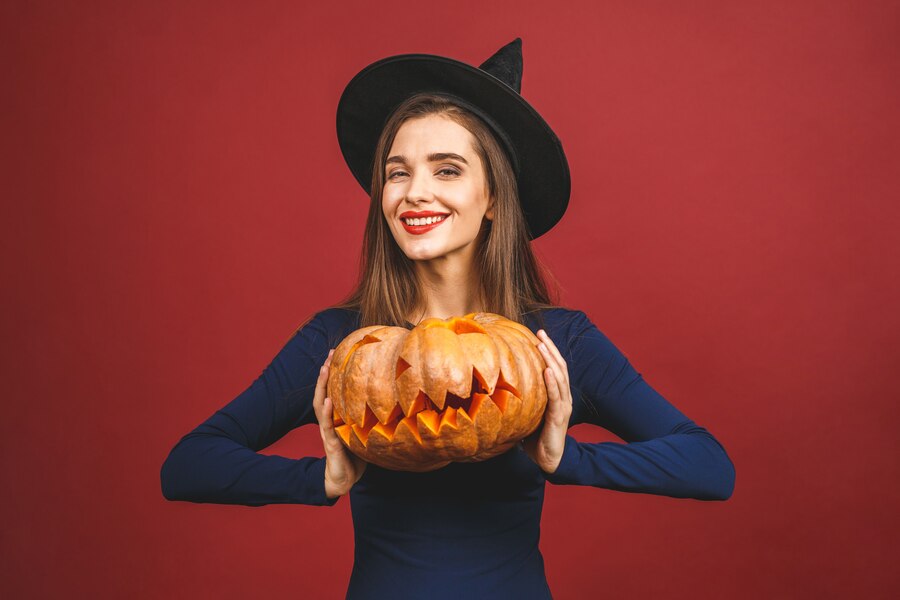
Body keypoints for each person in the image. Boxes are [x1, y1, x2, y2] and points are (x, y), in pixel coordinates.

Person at [160, 38, 736, 599]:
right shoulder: (343, 345)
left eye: (447, 170)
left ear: (493, 199)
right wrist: (321, 480)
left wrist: (567, 458)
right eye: (397, 172)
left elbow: (709, 467)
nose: (415, 193)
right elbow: (187, 465)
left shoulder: (553, 345)